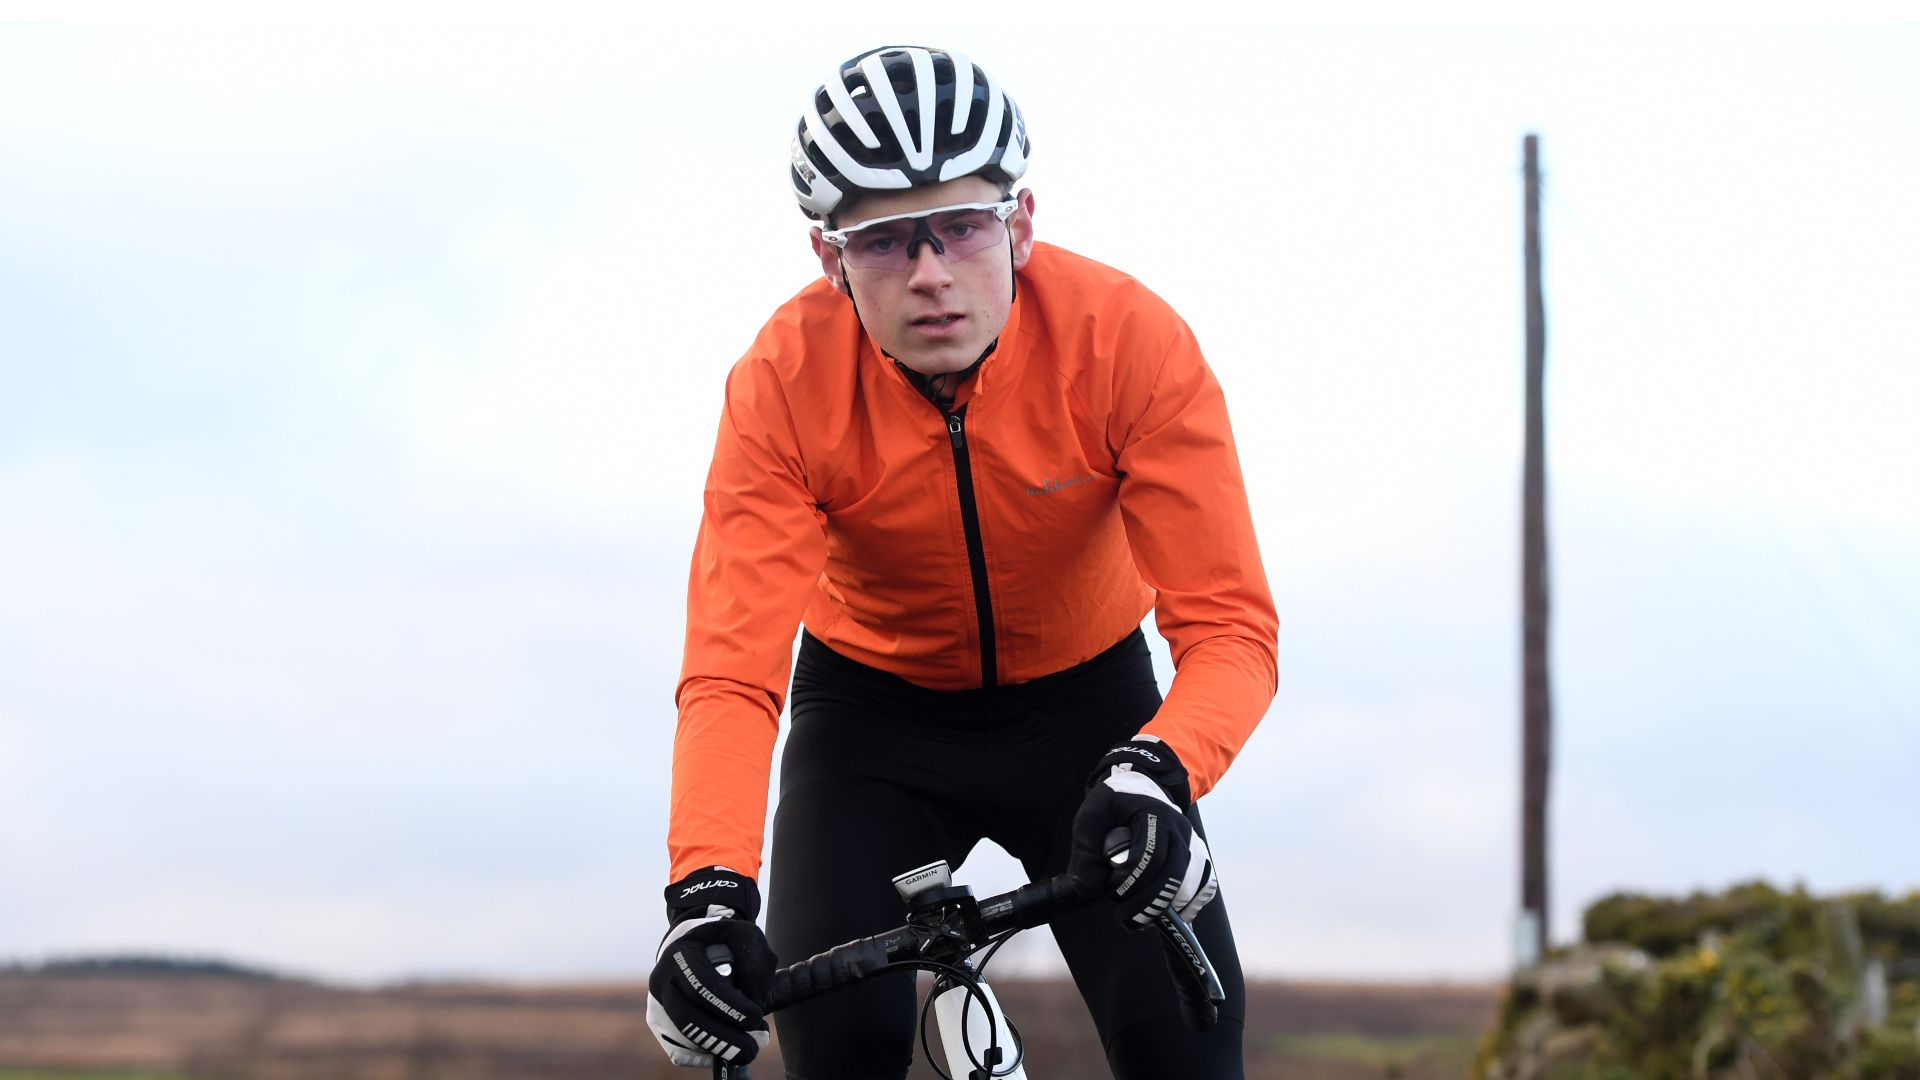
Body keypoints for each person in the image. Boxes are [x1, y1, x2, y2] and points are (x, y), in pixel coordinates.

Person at [645, 45, 1277, 1080]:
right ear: (828, 257)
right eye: (886, 242)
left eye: (964, 227)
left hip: (1093, 720)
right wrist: (706, 891)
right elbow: (732, 669)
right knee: (839, 1048)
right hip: (871, 730)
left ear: (1021, 223)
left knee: (1188, 1042)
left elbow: (1232, 632)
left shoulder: (1128, 343)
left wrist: (1163, 770)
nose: (932, 273)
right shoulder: (782, 385)